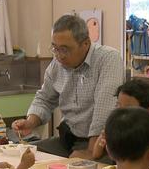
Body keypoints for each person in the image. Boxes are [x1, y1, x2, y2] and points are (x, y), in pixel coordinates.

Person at [12, 14, 124, 159]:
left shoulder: (108, 58)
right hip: (68, 139)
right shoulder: (57, 65)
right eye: (55, 49)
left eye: (64, 49)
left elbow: (104, 109)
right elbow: (44, 99)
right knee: (27, 155)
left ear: (85, 43)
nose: (59, 56)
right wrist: (30, 122)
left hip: (99, 144)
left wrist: (91, 151)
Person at [92, 79, 149, 164]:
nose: (121, 113)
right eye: (118, 105)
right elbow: (96, 155)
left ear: (148, 111)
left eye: (128, 108)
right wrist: (103, 137)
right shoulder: (118, 128)